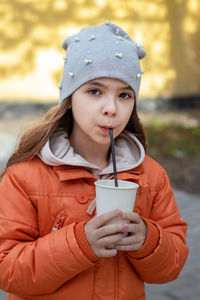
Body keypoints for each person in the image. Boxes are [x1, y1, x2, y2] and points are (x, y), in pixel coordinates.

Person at [0, 21, 188, 300]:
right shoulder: (24, 177)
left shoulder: (152, 176)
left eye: (124, 95)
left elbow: (170, 268)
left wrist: (148, 240)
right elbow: (8, 271)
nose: (111, 109)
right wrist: (80, 243)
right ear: (69, 98)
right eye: (95, 91)